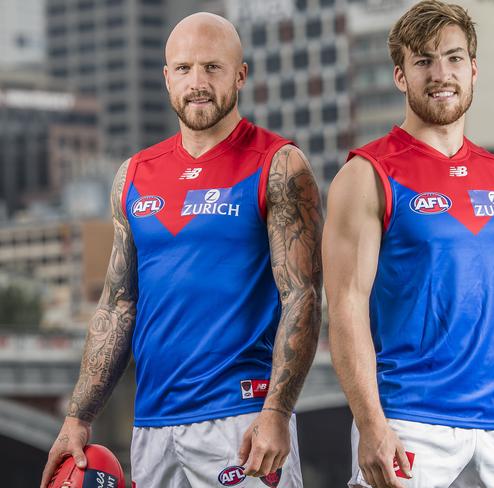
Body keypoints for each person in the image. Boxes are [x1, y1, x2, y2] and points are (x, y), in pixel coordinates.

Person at [323, 2, 494, 488]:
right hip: (408, 425)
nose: (441, 74)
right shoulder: (367, 174)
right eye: (424, 61)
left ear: (473, 70)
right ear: (400, 76)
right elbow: (346, 305)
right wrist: (371, 424)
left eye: (453, 59)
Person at [41, 12, 322, 488]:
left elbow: (302, 296)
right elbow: (117, 305)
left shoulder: (279, 165)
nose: (198, 83)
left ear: (241, 74)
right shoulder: (133, 175)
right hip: (153, 424)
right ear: (167, 77)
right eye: (185, 68)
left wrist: (277, 410)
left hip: (241, 419)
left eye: (213, 67)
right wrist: (77, 417)